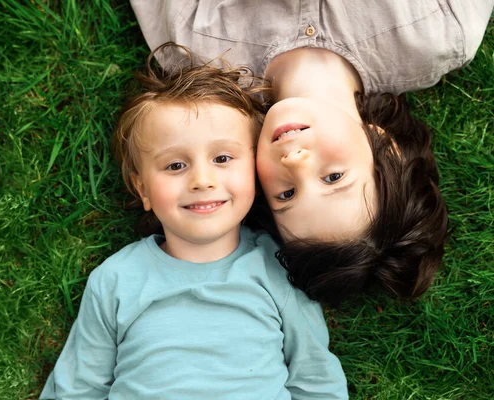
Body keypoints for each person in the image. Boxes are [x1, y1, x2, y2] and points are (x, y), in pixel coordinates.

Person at [129, 0, 494, 306]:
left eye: (285, 194)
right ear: (390, 150)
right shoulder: (438, 33)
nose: (294, 162)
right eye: (334, 177)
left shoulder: (194, 49)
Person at [39, 45, 348, 399]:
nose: (202, 180)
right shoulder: (115, 280)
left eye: (222, 158)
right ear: (143, 189)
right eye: (175, 165)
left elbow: (315, 379)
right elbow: (77, 388)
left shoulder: (279, 269)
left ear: (256, 170)